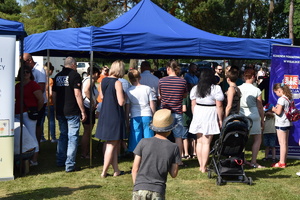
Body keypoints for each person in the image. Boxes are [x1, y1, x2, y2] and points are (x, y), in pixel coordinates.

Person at [132, 109, 181, 200]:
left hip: (139, 188)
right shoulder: (174, 147)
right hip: (158, 190)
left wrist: (137, 186)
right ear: (170, 129)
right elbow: (174, 174)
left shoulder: (143, 142)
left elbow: (135, 169)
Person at [52, 57, 87, 172]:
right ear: (73, 65)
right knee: (72, 137)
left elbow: (54, 96)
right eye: (76, 65)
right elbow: (77, 94)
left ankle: (60, 160)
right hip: (72, 110)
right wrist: (82, 110)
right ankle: (70, 164)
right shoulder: (75, 75)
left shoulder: (57, 77)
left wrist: (56, 110)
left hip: (61, 111)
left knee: (63, 136)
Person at [95, 60, 127, 178]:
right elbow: (121, 102)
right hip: (115, 114)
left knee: (113, 143)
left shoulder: (104, 80)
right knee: (111, 144)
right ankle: (104, 172)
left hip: (105, 113)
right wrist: (124, 96)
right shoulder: (117, 83)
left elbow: (102, 96)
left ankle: (116, 170)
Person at [189, 68, 224, 173]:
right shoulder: (216, 88)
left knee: (199, 141)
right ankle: (203, 166)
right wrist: (220, 119)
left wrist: (195, 115)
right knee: (206, 142)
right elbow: (219, 105)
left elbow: (193, 104)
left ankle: (201, 165)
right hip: (210, 112)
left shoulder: (196, 88)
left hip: (198, 112)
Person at [158, 60, 187, 166]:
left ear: (168, 69)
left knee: (163, 136)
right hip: (177, 111)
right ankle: (178, 160)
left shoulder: (161, 81)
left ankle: (163, 158)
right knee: (178, 137)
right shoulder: (182, 81)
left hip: (165, 112)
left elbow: (160, 95)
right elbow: (184, 95)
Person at [15, 66, 44, 166]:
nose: (25, 73)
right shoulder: (17, 86)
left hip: (29, 115)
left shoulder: (33, 85)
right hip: (17, 114)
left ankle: (34, 160)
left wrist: (36, 110)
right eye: (23, 72)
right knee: (21, 137)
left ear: (30, 74)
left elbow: (41, 100)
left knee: (32, 136)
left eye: (27, 72)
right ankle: (24, 158)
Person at [238, 68, 265, 168]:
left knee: (242, 138)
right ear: (253, 77)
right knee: (257, 138)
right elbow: (260, 106)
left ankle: (242, 159)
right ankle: (253, 161)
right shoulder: (256, 90)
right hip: (253, 114)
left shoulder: (238, 88)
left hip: (241, 114)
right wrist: (262, 119)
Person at [125, 69, 156, 153]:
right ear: (140, 77)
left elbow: (127, 107)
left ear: (130, 79)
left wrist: (127, 120)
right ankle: (148, 153)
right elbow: (152, 104)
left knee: (135, 136)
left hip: (135, 116)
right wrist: (154, 116)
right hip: (147, 114)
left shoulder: (129, 91)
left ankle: (136, 155)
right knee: (148, 136)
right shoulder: (147, 88)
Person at [23, 53, 47, 147]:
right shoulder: (29, 70)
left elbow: (41, 88)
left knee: (37, 126)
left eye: (23, 62)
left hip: (38, 103)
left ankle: (37, 146)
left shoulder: (39, 70)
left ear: (29, 60)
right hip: (29, 103)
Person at [81, 66, 100, 159]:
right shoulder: (90, 80)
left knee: (87, 132)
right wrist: (92, 101)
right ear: (95, 73)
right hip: (88, 107)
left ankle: (86, 152)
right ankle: (85, 153)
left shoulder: (85, 79)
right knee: (87, 132)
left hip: (87, 107)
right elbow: (86, 90)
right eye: (98, 74)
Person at [271, 83, 292, 168]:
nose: (276, 94)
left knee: (282, 143)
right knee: (285, 143)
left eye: (276, 92)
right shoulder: (288, 98)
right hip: (287, 122)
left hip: (281, 123)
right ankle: (283, 160)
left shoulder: (281, 99)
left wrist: (273, 109)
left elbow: (278, 112)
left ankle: (282, 162)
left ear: (279, 90)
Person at [41, 62, 57, 142]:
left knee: (41, 121)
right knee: (51, 121)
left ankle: (41, 137)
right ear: (50, 71)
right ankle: (53, 137)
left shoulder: (41, 79)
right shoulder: (50, 80)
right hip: (49, 103)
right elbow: (51, 93)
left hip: (42, 102)